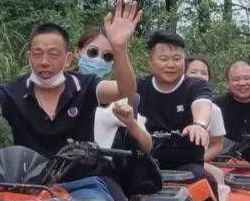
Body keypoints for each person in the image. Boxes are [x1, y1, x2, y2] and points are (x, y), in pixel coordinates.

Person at [0, 2, 141, 200]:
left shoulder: (87, 85)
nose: (44, 61)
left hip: (82, 184)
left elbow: (126, 89)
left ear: (68, 58)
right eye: (38, 54)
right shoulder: (12, 91)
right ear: (28, 57)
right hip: (26, 188)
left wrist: (119, 47)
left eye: (53, 54)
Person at [136, 31, 215, 187]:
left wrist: (199, 125)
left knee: (203, 180)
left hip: (186, 164)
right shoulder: (139, 86)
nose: (171, 64)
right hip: (146, 161)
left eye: (177, 59)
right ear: (150, 62)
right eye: (164, 59)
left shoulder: (196, 85)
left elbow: (202, 104)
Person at [73, 26, 152, 153]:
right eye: (92, 52)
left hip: (94, 169)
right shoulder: (58, 87)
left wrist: (131, 123)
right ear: (77, 52)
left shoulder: (119, 98)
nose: (99, 59)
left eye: (108, 56)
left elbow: (147, 145)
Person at [184, 57, 228, 160]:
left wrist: (199, 161)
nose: (199, 76)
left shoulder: (214, 110)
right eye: (193, 72)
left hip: (196, 163)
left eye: (204, 73)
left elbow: (217, 145)